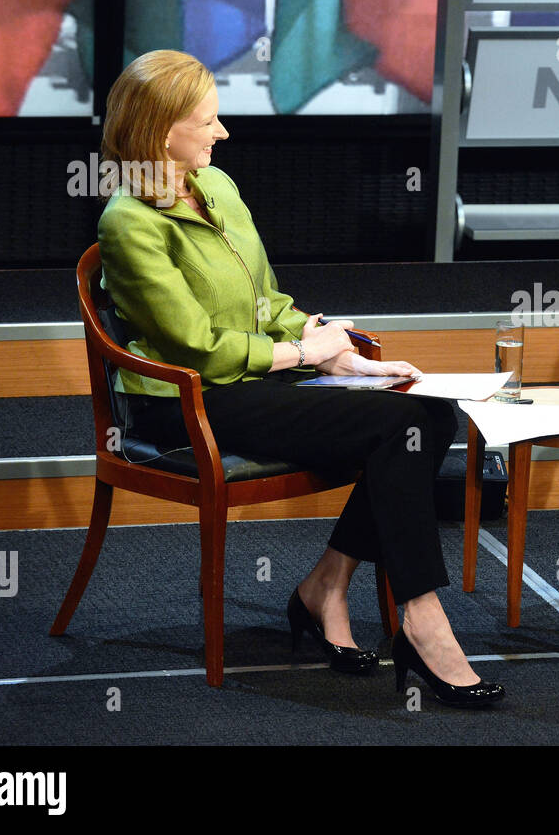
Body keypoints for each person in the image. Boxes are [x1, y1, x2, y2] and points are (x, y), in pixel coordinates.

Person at [97, 50, 503, 708]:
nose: (222, 132)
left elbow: (268, 303)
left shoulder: (217, 187)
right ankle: (422, 619)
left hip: (253, 382)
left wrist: (345, 358)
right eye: (208, 121)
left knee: (426, 411)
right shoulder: (127, 221)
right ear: (161, 130)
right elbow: (194, 346)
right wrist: (299, 355)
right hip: (184, 402)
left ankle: (326, 586)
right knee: (403, 425)